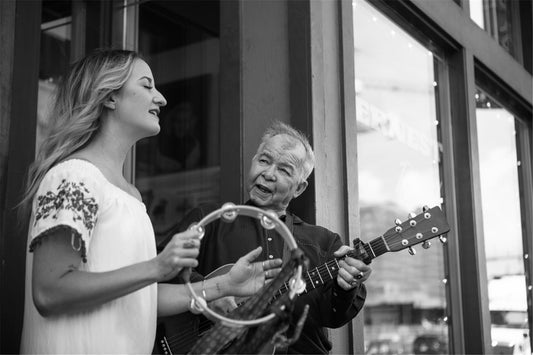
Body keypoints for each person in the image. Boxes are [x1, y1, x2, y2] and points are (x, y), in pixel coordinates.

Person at [17, 49, 281, 354]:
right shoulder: (74, 176)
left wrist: (223, 286)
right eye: (146, 85)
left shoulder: (131, 196)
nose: (161, 98)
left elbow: (139, 298)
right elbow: (49, 292)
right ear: (109, 97)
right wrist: (156, 267)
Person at [169, 121, 372, 354]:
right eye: (264, 161)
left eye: (284, 170)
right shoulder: (210, 220)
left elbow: (334, 316)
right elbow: (165, 271)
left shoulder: (324, 243)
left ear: (299, 188)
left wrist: (347, 284)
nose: (268, 173)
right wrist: (210, 294)